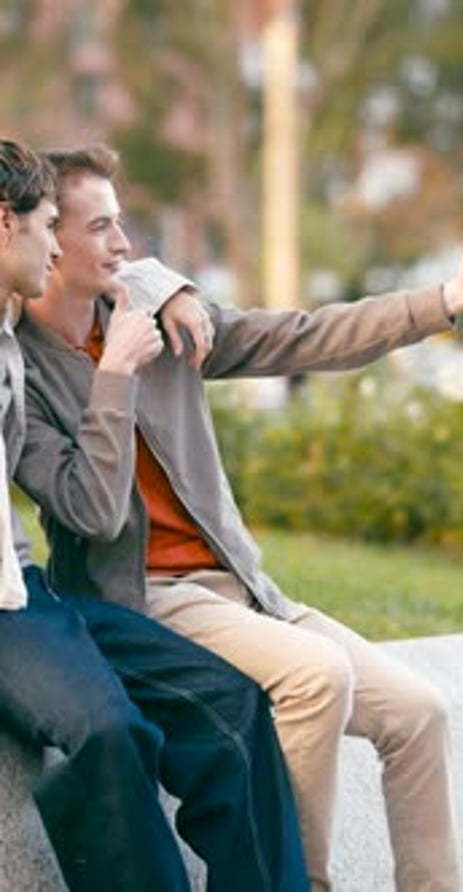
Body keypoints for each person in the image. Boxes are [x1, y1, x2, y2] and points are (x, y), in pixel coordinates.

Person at [15, 144, 463, 892]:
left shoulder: (157, 311)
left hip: (240, 584)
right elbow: (95, 513)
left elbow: (298, 336)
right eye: (99, 227)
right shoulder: (26, 367)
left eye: (123, 224)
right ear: (50, 238)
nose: (124, 244)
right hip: (145, 598)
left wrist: (442, 300)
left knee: (419, 712)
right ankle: (296, 884)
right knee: (315, 678)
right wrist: (115, 377)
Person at [0, 138, 309, 892]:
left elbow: (103, 254)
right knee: (106, 730)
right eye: (43, 227)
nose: (51, 248)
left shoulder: (9, 315)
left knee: (230, 703)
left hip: (24, 592)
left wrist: (168, 288)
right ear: (4, 225)